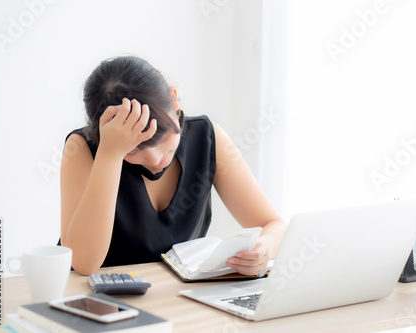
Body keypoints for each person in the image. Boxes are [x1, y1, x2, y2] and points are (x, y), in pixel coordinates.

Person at [60, 56, 286, 276]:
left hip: (177, 301)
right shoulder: (82, 148)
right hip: (100, 305)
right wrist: (109, 155)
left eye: (163, 136)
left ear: (174, 100)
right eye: (133, 149)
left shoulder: (207, 137)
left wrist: (263, 249)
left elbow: (272, 224)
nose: (155, 157)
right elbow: (83, 264)